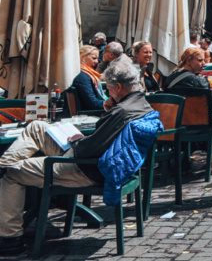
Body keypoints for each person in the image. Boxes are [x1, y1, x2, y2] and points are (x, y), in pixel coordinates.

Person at [0, 57, 158, 256]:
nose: (108, 93)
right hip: (92, 159)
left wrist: (76, 140)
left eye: (109, 89)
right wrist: (104, 116)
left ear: (118, 87)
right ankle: (4, 162)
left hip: (84, 167)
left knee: (12, 174)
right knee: (37, 126)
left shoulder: (122, 112)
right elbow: (102, 139)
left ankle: (10, 238)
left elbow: (87, 149)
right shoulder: (141, 105)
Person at [162, 46, 212, 115]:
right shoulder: (199, 81)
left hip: (176, 123)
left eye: (204, 60)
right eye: (200, 60)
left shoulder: (170, 77)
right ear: (189, 61)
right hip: (200, 125)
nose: (204, 63)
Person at [72, 45, 106, 113]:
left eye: (97, 59)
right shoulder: (82, 76)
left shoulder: (87, 74)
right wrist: (112, 104)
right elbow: (92, 103)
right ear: (83, 57)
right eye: (93, 58)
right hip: (89, 114)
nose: (97, 61)